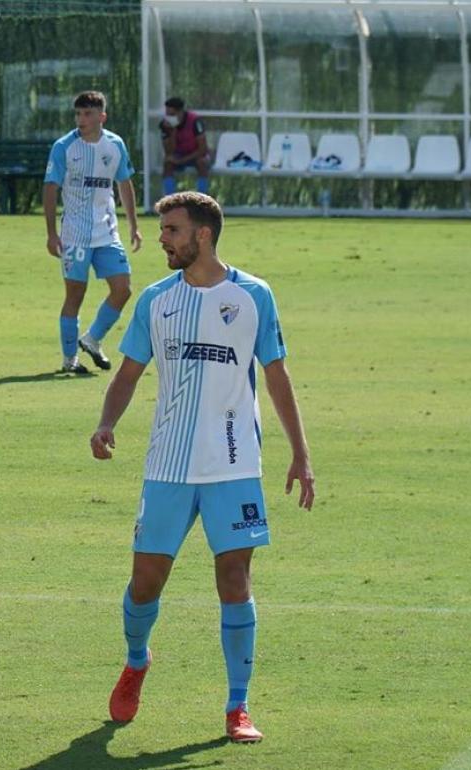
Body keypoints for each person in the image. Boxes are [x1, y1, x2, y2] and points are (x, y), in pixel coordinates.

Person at [90, 192, 314, 743]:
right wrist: (106, 422)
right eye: (163, 229)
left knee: (234, 579)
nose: (162, 239)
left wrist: (301, 453)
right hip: (167, 465)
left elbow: (278, 376)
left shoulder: (254, 295)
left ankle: (238, 706)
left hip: (234, 463)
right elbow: (128, 373)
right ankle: (137, 661)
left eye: (170, 230)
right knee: (146, 583)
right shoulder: (155, 300)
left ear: (202, 235)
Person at [43, 90, 142, 375]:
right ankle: (69, 359)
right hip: (74, 234)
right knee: (75, 295)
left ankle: (93, 339)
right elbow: (50, 188)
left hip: (107, 233)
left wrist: (133, 225)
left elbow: (125, 183)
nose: (81, 119)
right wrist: (51, 233)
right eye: (78, 114)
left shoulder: (115, 145)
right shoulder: (64, 147)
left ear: (102, 116)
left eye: (87, 114)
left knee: (123, 290)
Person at [160, 97, 211, 197]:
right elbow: (169, 151)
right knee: (167, 164)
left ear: (181, 112)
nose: (169, 117)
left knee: (202, 163)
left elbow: (202, 149)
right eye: (167, 114)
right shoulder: (164, 125)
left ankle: (201, 199)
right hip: (179, 154)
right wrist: (172, 132)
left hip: (195, 154)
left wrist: (183, 160)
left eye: (172, 114)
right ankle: (171, 200)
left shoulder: (195, 121)